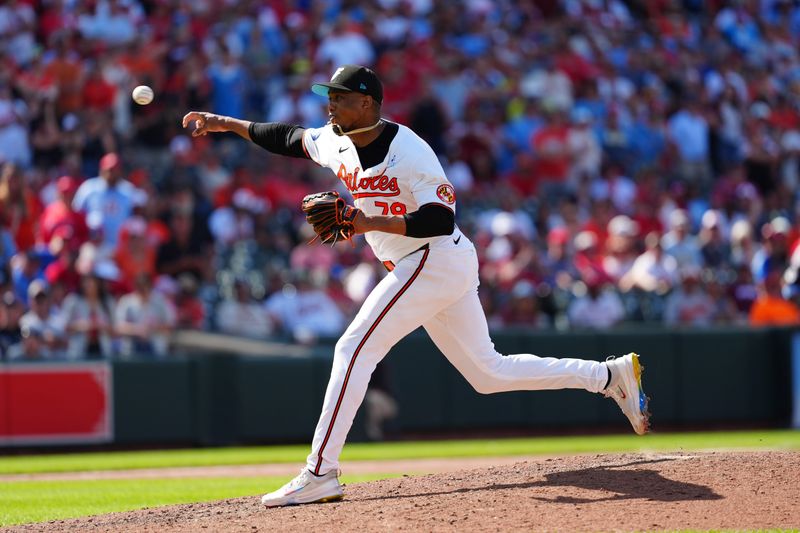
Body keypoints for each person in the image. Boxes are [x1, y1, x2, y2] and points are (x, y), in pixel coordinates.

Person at [182, 64, 651, 508]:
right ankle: (608, 376)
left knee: (352, 348)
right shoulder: (334, 140)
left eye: (340, 100)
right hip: (425, 264)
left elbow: (441, 217)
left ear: (367, 104)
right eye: (329, 99)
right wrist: (225, 122)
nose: (330, 108)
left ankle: (320, 473)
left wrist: (366, 220)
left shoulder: (409, 150)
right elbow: (287, 137)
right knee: (489, 374)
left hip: (435, 256)